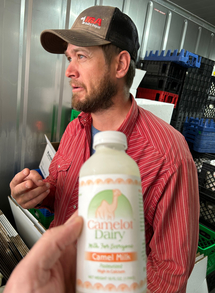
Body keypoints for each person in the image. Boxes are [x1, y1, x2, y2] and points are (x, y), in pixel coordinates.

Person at [10, 5, 199, 292]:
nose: (69, 71)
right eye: (69, 58)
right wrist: (40, 191)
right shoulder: (76, 128)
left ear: (120, 65)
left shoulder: (169, 154)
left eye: (82, 57)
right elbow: (67, 193)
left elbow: (170, 274)